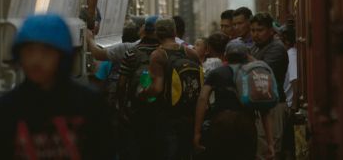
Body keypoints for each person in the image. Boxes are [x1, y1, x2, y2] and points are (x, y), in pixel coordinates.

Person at [0, 13, 114, 160]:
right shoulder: (2, 112)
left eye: (46, 52)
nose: (36, 59)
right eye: (29, 51)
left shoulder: (90, 106)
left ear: (62, 56)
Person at [193, 41, 275, 160]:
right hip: (246, 126)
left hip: (221, 126)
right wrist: (270, 142)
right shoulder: (253, 75)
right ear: (246, 56)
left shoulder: (216, 73)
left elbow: (202, 99)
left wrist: (197, 133)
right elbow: (264, 110)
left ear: (225, 56)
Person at [138, 18, 202, 160]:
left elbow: (157, 88)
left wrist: (142, 93)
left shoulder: (158, 55)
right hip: (190, 112)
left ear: (157, 34)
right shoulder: (191, 53)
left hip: (169, 114)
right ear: (174, 32)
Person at [117, 15, 162, 160]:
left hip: (136, 109)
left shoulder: (131, 52)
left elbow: (121, 83)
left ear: (144, 30)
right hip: (160, 109)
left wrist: (122, 108)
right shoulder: (163, 53)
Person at [250, 12, 289, 160]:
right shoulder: (255, 47)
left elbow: (262, 71)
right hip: (261, 106)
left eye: (260, 30)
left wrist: (245, 58)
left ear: (270, 30)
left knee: (269, 151)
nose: (255, 34)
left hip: (273, 106)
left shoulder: (276, 48)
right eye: (253, 30)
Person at [280, 26, 300, 160]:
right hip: (289, 104)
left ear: (286, 41)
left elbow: (295, 81)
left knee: (288, 145)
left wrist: (293, 106)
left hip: (289, 106)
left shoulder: (291, 55)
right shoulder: (289, 54)